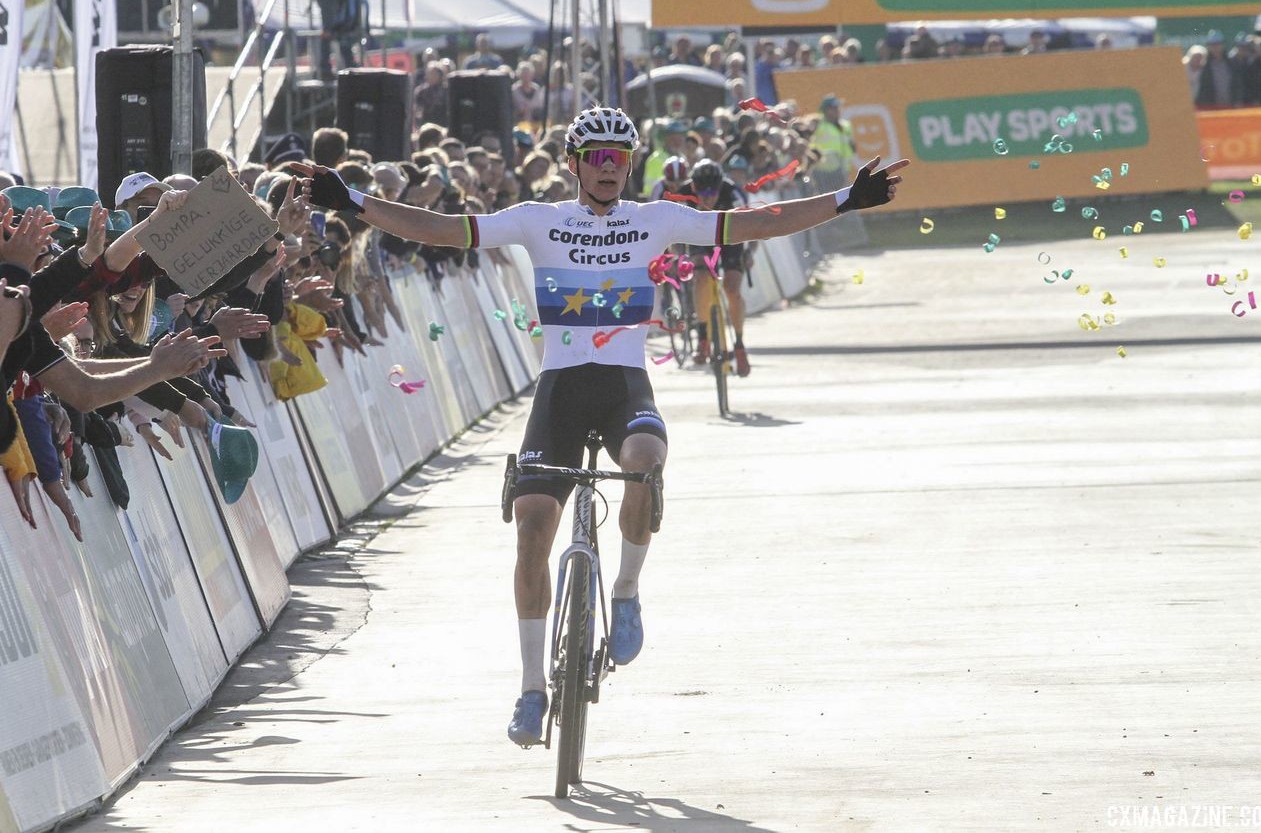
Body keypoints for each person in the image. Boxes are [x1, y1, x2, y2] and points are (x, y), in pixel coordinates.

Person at [289, 106, 908, 748]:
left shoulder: (657, 218)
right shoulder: (539, 220)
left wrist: (844, 200)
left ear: (631, 163)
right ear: (574, 165)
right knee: (532, 528)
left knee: (644, 458)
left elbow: (752, 223)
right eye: (597, 156)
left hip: (622, 387)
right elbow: (444, 230)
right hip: (559, 392)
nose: (610, 166)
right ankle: (533, 690)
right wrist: (354, 201)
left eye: (620, 156)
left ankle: (627, 589)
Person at [677, 159, 753, 375]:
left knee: (732, 289)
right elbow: (673, 233)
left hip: (732, 237)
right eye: (702, 191)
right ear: (693, 187)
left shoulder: (733, 193)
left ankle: (739, 343)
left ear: (721, 186)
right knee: (700, 275)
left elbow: (753, 224)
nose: (708, 196)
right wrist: (677, 257)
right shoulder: (683, 196)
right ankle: (703, 336)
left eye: (713, 190)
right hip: (700, 239)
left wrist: (749, 252)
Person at [809, 94, 857, 194]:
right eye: (833, 108)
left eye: (838, 107)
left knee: (845, 201)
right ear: (826, 110)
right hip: (822, 172)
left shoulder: (845, 125)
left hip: (842, 170)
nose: (837, 110)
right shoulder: (818, 124)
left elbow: (850, 144)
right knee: (824, 201)